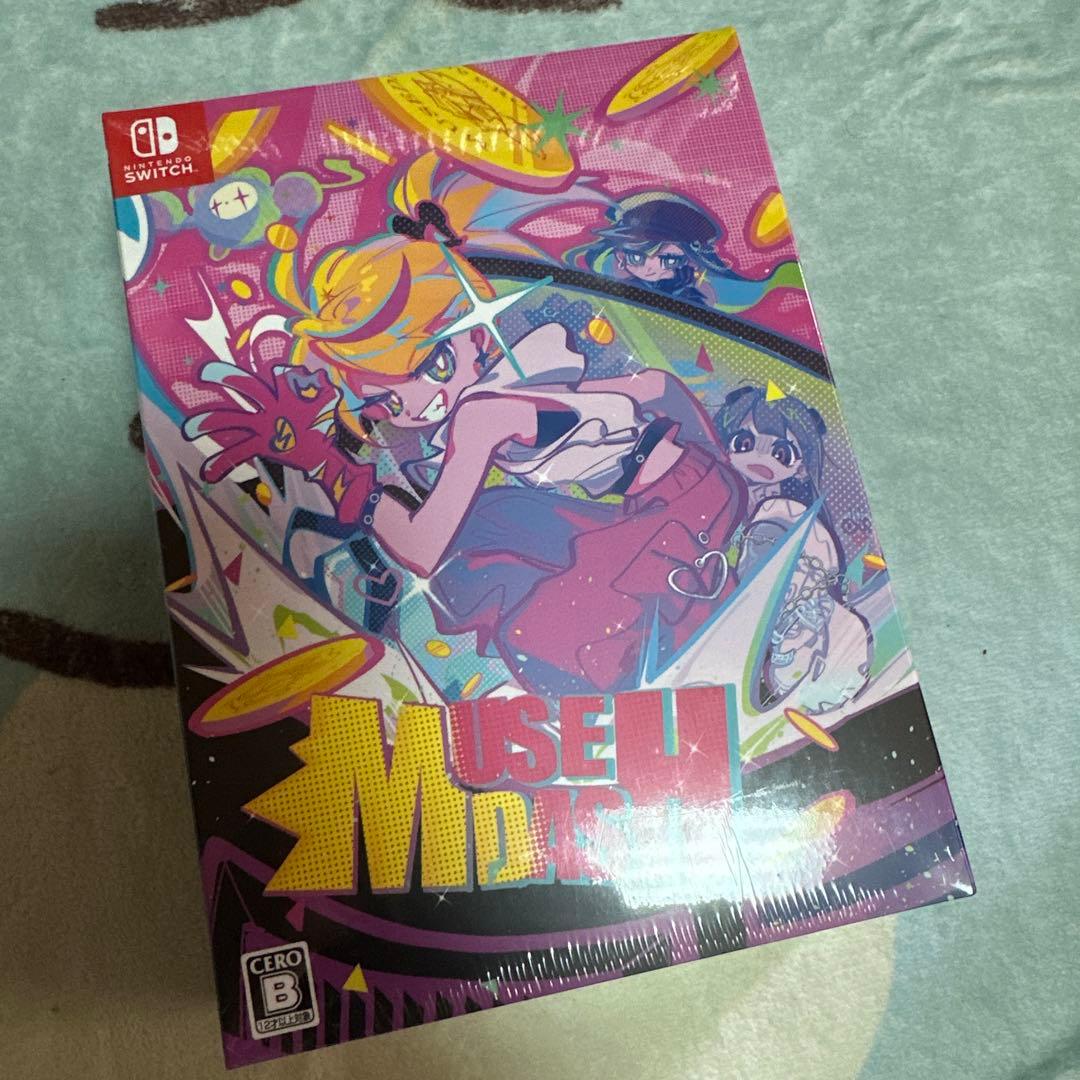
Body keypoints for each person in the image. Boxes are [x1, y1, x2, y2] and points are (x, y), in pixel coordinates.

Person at [184, 153, 747, 696]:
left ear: (464, 340)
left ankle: (643, 692)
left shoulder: (482, 415)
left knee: (545, 632)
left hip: (676, 510)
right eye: (380, 403)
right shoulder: (516, 379)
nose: (401, 411)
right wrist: (708, 463)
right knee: (490, 526)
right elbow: (657, 386)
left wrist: (326, 465)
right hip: (679, 494)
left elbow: (422, 548)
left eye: (400, 384)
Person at [714, 385, 871, 714]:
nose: (759, 457)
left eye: (781, 452)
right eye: (744, 444)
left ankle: (799, 645)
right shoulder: (716, 503)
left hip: (777, 617)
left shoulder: (790, 513)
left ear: (800, 466)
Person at [569, 191, 804, 311]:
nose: (650, 269)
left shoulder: (700, 288)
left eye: (669, 260)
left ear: (692, 260)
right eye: (637, 257)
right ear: (621, 255)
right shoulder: (610, 271)